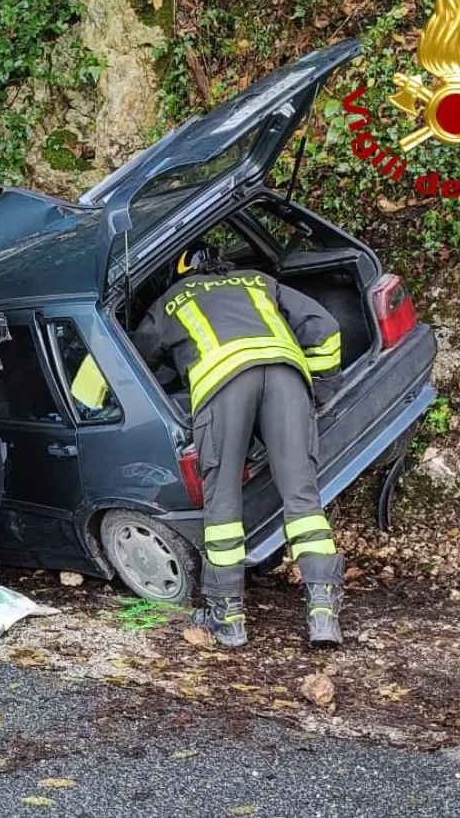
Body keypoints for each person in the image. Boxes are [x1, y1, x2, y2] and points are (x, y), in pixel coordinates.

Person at [131, 243, 346, 647]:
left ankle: (227, 618)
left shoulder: (170, 303)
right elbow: (325, 327)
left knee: (223, 503)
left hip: (223, 384)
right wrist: (318, 387)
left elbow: (133, 363)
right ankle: (323, 614)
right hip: (285, 378)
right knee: (302, 499)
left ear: (178, 273)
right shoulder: (261, 282)